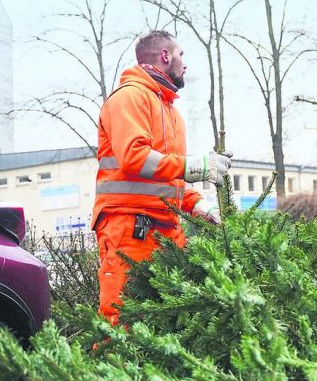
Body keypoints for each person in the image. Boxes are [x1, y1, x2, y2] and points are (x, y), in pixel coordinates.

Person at [93, 30, 230, 324]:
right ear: (165, 56)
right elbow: (135, 157)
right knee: (123, 323)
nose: (185, 63)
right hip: (129, 227)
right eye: (181, 55)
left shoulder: (170, 112)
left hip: (165, 229)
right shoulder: (130, 97)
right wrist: (197, 167)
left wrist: (199, 205)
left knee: (169, 322)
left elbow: (168, 177)